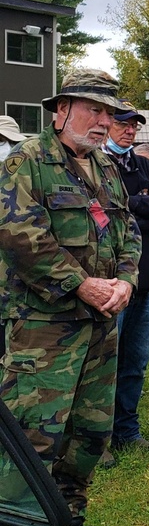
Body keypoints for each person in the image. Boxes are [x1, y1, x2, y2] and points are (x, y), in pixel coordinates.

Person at [0, 69, 141, 526]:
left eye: (110, 113)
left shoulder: (105, 168)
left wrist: (125, 282)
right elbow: (20, 236)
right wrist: (80, 284)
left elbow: (127, 233)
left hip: (101, 324)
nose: (104, 121)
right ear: (60, 110)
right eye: (93, 110)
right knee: (30, 435)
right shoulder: (26, 162)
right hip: (43, 327)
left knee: (89, 430)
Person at [99, 105, 149, 467]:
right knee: (103, 364)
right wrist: (144, 203)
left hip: (146, 280)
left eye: (134, 126)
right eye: (122, 124)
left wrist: (133, 205)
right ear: (106, 124)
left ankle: (127, 431)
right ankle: (95, 441)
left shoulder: (142, 165)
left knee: (134, 362)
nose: (129, 131)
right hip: (110, 283)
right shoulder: (92, 164)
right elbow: (98, 211)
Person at [0, 116, 30, 360]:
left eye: (12, 143)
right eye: (1, 142)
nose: (7, 149)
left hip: (15, 297)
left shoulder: (23, 186)